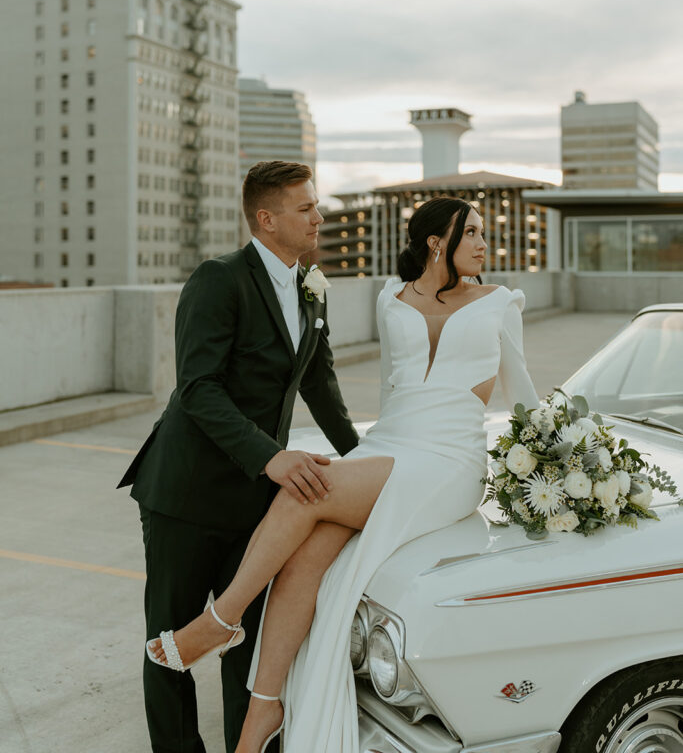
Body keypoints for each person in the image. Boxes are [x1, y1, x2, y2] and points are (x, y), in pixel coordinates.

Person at [145, 196, 540, 753]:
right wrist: (362, 459)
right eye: (471, 232)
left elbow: (523, 395)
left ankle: (221, 618)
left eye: (482, 233)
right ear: (435, 242)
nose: (482, 243)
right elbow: (385, 393)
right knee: (303, 561)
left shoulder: (501, 301)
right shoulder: (392, 299)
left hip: (451, 458)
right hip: (392, 442)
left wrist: (553, 461)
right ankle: (263, 714)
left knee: (307, 488)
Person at [117, 160, 359, 753]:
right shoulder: (217, 279)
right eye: (305, 209)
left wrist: (365, 461)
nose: (318, 219)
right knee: (172, 644)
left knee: (245, 643)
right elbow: (197, 387)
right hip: (185, 493)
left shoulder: (310, 287)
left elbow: (319, 387)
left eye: (316, 206)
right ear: (266, 217)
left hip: (254, 503)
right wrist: (270, 457)